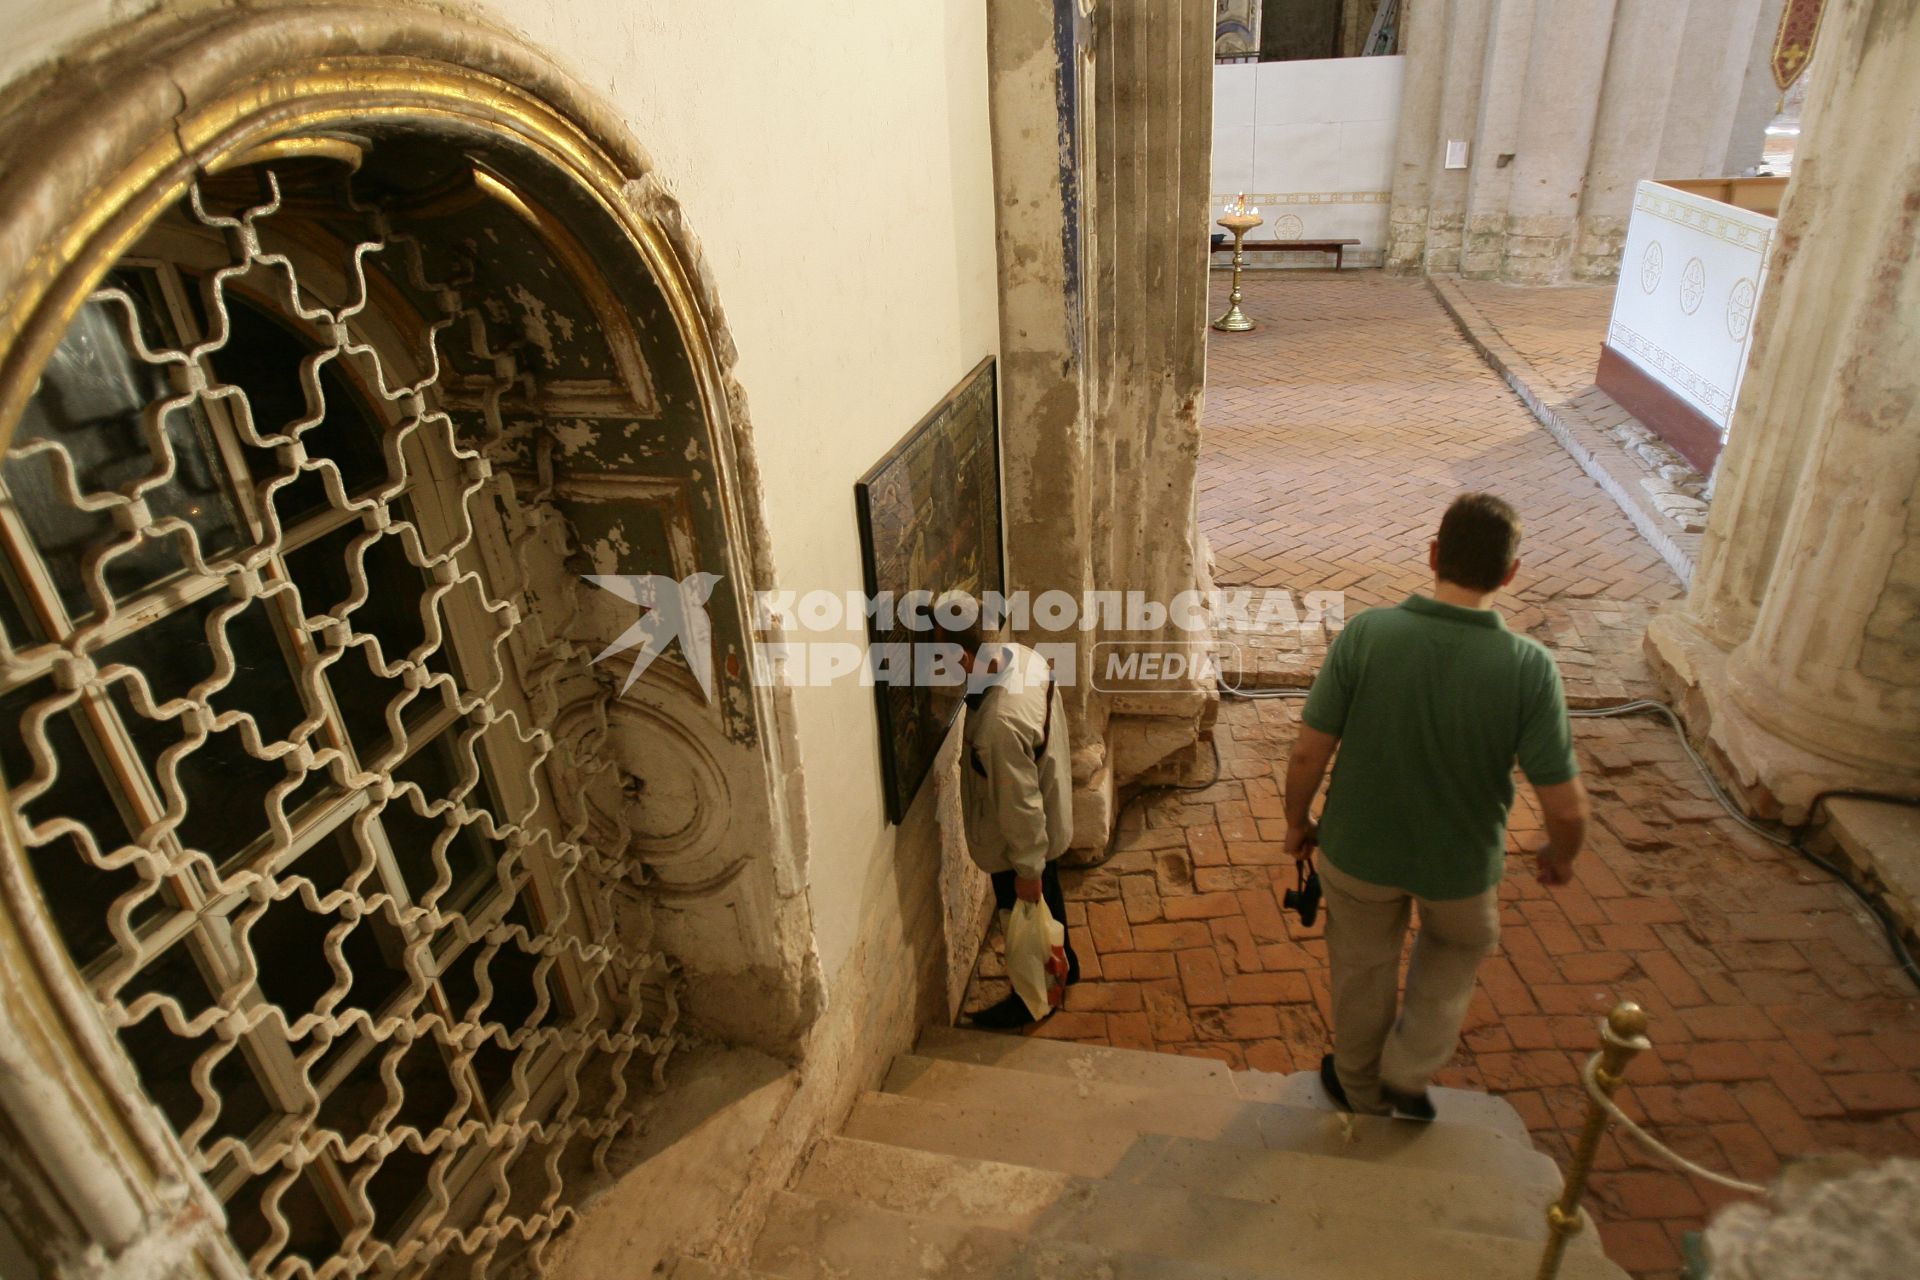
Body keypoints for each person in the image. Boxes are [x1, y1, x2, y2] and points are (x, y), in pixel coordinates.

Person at [1283, 493, 1590, 1119]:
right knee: (1454, 956)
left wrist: (1299, 823)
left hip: (1357, 851)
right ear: (1510, 574)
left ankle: (1360, 1086)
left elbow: (1308, 754)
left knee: (1361, 973)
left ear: (1432, 556)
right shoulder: (1530, 668)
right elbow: (1565, 808)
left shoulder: (1369, 633)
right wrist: (1560, 856)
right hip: (1461, 868)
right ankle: (1409, 1067)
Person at [934, 590, 1078, 1029]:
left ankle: (1034, 997)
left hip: (1019, 843)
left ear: (961, 652)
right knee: (1050, 903)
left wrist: (1026, 872)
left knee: (1028, 912)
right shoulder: (1022, 656)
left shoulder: (999, 726)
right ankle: (1067, 963)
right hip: (1049, 817)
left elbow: (1020, 805)